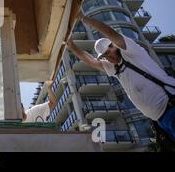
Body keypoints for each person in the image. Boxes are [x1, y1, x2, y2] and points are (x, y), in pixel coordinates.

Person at [66, 12, 175, 141]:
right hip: (161, 120)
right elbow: (91, 61)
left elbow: (110, 32)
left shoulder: (131, 52)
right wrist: (72, 45)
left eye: (108, 52)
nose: (108, 57)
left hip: (171, 107)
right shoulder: (115, 67)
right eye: (104, 55)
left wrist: (83, 18)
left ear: (114, 46)